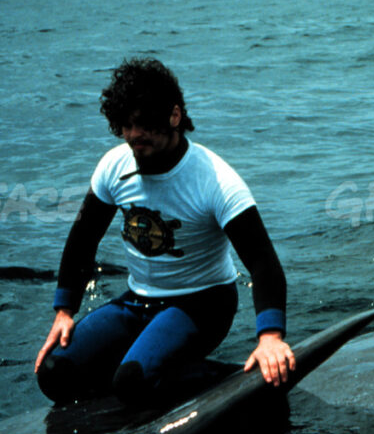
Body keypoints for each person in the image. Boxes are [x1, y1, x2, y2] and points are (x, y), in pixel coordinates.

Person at [34, 57, 295, 406]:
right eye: (125, 125)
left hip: (203, 305)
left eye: (144, 124)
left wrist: (270, 337)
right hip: (137, 302)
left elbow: (263, 263)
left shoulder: (215, 180)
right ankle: (145, 365)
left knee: (133, 383)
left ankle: (236, 379)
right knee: (54, 373)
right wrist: (64, 312)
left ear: (174, 116)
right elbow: (83, 240)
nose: (133, 136)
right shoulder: (114, 167)